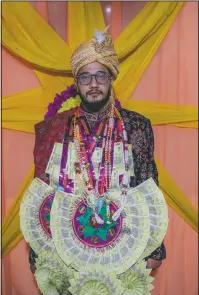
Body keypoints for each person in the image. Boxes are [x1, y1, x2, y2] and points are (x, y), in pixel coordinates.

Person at [29, 30, 166, 275]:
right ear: (76, 82)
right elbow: (43, 192)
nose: (93, 84)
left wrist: (154, 251)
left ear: (111, 78)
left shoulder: (135, 126)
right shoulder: (55, 129)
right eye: (85, 77)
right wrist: (38, 254)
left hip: (125, 250)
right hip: (66, 253)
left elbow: (148, 185)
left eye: (100, 75)